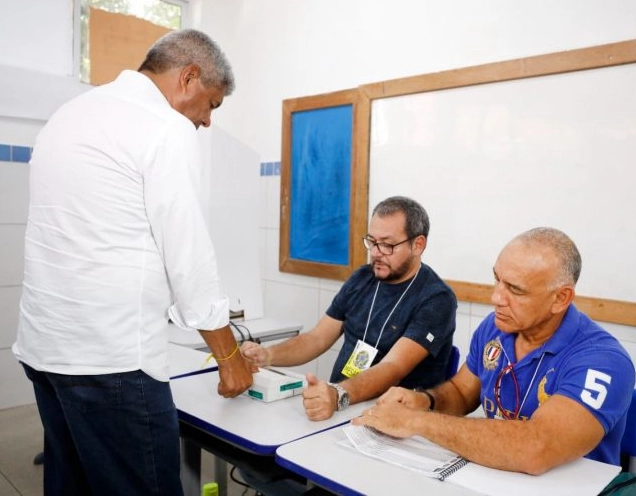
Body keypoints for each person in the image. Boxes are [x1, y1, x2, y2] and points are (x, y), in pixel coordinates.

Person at [12, 29, 253, 496]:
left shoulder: (72, 113)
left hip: (46, 352)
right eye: (211, 104)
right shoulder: (164, 127)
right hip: (110, 362)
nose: (206, 122)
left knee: (73, 484)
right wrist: (230, 357)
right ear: (188, 77)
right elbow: (188, 259)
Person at [353, 227, 635, 475]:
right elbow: (462, 393)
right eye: (497, 279)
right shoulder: (496, 328)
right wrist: (424, 400)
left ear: (560, 298)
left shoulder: (603, 361)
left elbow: (536, 448)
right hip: (492, 477)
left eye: (515, 289)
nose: (496, 298)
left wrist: (417, 421)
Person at [238, 195, 457, 494]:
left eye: (388, 245)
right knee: (262, 460)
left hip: (396, 432)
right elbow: (316, 338)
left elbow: (393, 368)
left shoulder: (436, 299)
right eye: (372, 241)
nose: (376, 253)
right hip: (342, 415)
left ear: (417, 245)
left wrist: (338, 394)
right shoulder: (362, 279)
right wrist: (267, 355)